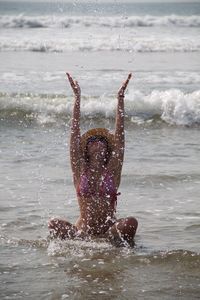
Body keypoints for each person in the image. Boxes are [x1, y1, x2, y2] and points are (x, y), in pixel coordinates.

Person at [48, 72, 138, 246]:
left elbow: (119, 140)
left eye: (102, 140)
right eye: (92, 140)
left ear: (107, 149)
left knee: (131, 223)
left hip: (108, 230)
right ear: (86, 149)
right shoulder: (80, 169)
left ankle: (112, 244)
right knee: (53, 223)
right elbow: (74, 139)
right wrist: (77, 98)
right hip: (83, 231)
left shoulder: (112, 170)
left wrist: (120, 99)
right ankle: (83, 243)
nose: (98, 142)